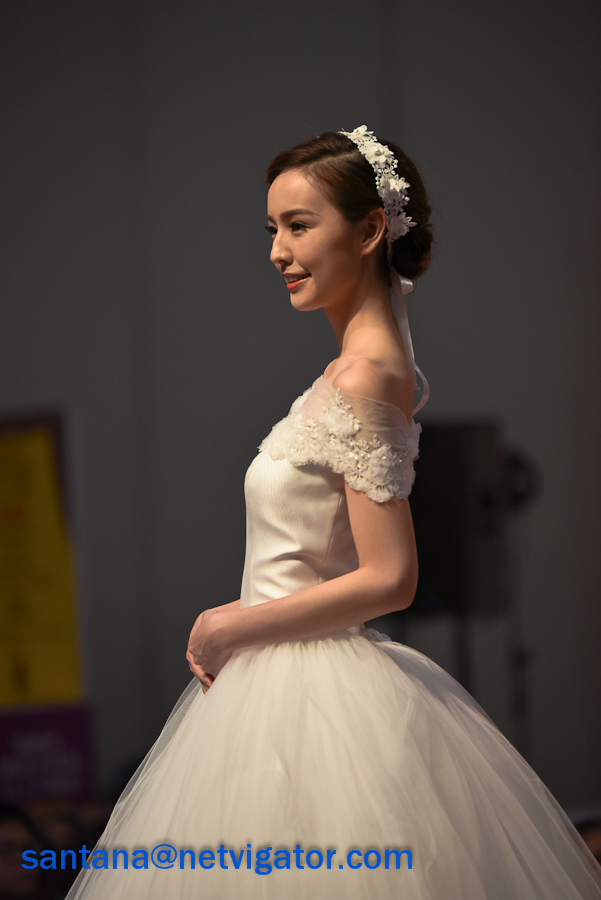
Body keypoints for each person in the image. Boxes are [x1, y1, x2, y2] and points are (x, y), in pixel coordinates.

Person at [65, 127, 601, 899]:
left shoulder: (365, 375)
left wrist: (232, 626)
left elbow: (390, 577)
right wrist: (242, 619)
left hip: (307, 696)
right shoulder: (353, 369)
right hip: (278, 681)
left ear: (370, 228)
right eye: (272, 229)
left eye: (299, 225)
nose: (277, 251)